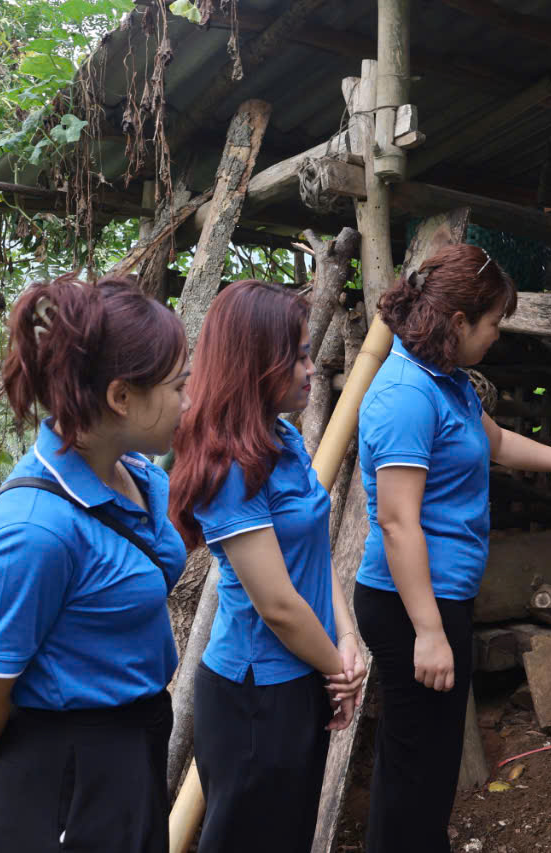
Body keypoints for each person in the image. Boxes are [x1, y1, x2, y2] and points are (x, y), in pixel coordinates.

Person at [354, 243, 551, 852]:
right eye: (493, 324)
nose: (496, 337)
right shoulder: (406, 396)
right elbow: (397, 523)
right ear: (458, 323)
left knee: (423, 762)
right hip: (412, 603)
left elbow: (497, 442)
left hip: (436, 597)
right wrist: (430, 632)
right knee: (417, 765)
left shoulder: (448, 382)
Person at [0, 274, 191, 852]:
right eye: (179, 385)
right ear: (121, 397)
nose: (189, 401)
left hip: (135, 744)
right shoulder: (31, 531)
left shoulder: (136, 475)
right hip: (65, 778)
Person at [167, 280, 365, 853]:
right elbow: (276, 605)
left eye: (308, 353)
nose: (309, 368)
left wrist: (345, 637)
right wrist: (341, 672)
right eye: (298, 356)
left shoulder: (282, 437)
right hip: (254, 697)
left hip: (306, 674)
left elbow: (314, 550)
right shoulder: (230, 466)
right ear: (256, 363)